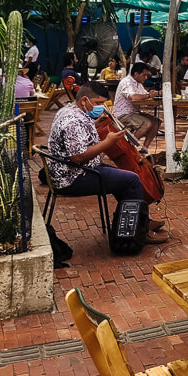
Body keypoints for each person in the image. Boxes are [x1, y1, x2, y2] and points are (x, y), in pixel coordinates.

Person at [47, 83, 166, 241]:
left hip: (79, 170)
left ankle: (140, 222)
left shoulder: (72, 110)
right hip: (73, 177)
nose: (101, 107)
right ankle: (138, 233)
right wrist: (107, 142)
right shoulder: (72, 120)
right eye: (98, 103)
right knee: (131, 180)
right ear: (84, 100)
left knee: (123, 177)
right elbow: (78, 156)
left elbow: (80, 137)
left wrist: (97, 124)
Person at [113, 62, 161, 146]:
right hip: (123, 114)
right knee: (146, 123)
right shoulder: (127, 82)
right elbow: (134, 97)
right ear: (136, 74)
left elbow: (145, 96)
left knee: (156, 122)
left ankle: (144, 149)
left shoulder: (138, 83)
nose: (146, 78)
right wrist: (149, 95)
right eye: (144, 75)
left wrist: (156, 93)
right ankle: (128, 146)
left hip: (134, 113)